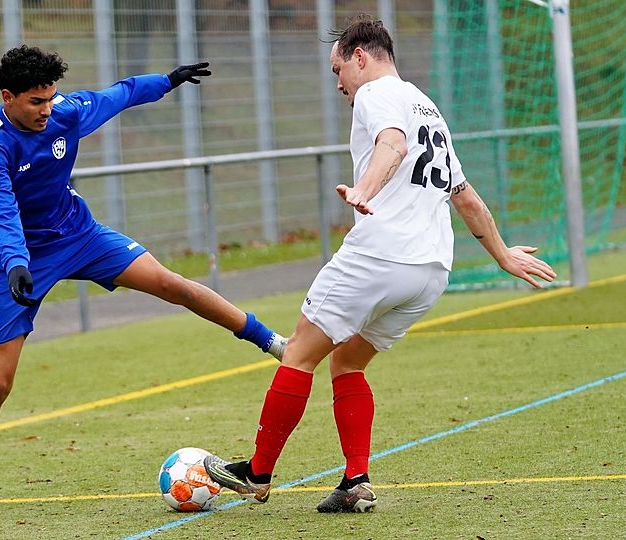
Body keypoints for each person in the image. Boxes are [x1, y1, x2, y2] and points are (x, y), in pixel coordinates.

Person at [203, 14, 556, 513]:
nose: (339, 85)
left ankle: (256, 473)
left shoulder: (376, 94)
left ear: (360, 57)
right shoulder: (427, 106)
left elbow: (393, 143)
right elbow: (464, 195)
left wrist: (363, 190)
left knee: (299, 353)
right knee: (347, 362)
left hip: (381, 254)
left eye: (338, 71)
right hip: (431, 271)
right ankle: (355, 481)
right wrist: (502, 255)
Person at [0, 45, 287, 514]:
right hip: (18, 259)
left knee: (173, 285)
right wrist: (15, 262)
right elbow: (1, 210)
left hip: (79, 235)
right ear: (7, 97)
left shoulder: (65, 113)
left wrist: (167, 81)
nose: (46, 110)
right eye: (35, 101)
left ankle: (272, 342)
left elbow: (120, 94)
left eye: (50, 98)